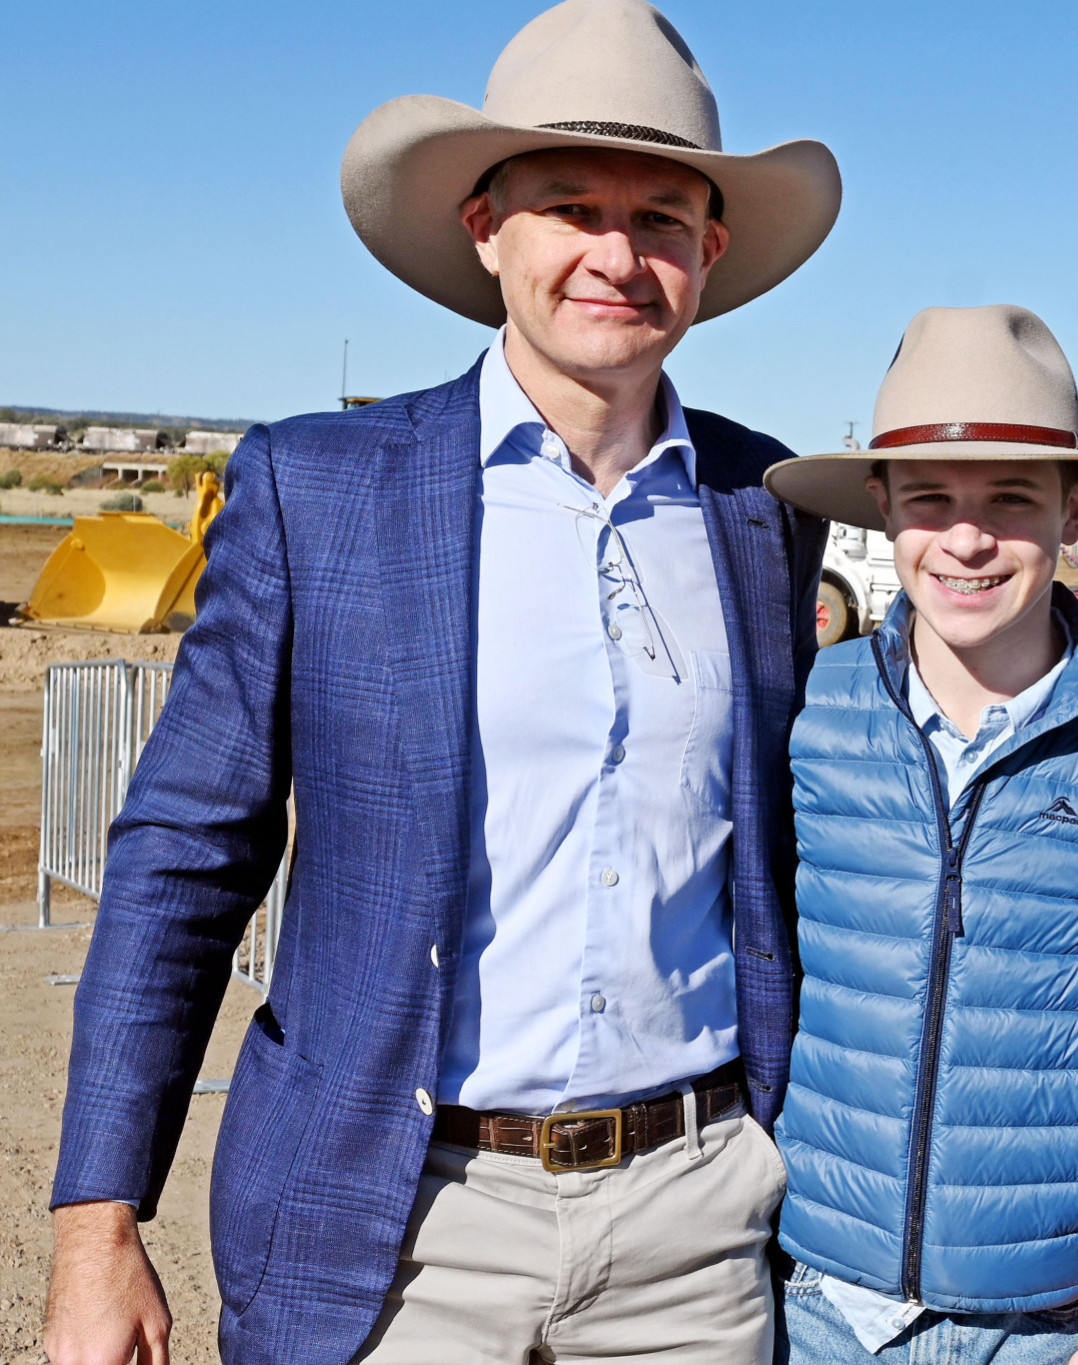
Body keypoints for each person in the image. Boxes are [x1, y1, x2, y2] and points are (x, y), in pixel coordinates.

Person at [43, 3, 839, 1361]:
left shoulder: (760, 504)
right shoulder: (319, 489)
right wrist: (95, 1223)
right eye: (569, 206)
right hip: (402, 1221)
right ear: (487, 229)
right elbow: (185, 855)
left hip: (694, 1235)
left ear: (710, 251)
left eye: (659, 217)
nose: (615, 254)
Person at [761, 304, 1078, 1364]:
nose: (964, 539)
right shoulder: (806, 714)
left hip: (1050, 1329)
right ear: (879, 509)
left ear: (1074, 508)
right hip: (811, 1310)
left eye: (1009, 500)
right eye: (929, 500)